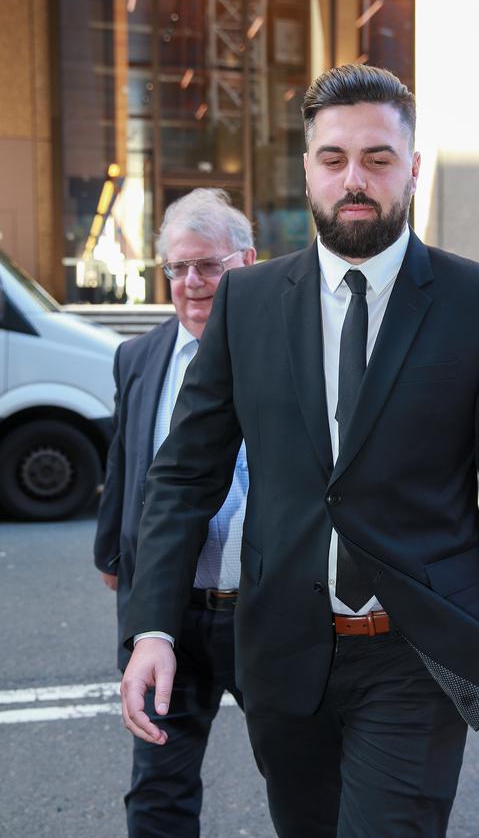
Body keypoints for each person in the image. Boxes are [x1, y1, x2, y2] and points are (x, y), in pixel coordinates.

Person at [120, 65, 479, 838]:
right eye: (333, 159)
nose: (355, 179)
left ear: (412, 169)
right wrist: (151, 626)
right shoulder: (247, 303)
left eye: (379, 158)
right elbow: (184, 473)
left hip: (415, 650)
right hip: (284, 652)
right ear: (309, 168)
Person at [94, 187, 255, 837]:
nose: (191, 282)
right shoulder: (139, 357)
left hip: (263, 611)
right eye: (178, 268)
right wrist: (112, 553)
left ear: (243, 263)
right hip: (170, 614)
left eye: (208, 266)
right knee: (157, 793)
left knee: (307, 783)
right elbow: (124, 460)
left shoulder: (287, 353)